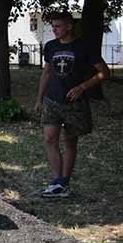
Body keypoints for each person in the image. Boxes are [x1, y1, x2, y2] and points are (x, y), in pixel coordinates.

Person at [34, 10, 108, 198]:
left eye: (58, 26)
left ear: (69, 26)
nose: (55, 30)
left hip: (73, 103)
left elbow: (104, 72)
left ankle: (64, 182)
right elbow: (46, 73)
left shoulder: (84, 47)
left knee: (69, 141)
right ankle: (56, 180)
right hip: (52, 100)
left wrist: (82, 87)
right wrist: (39, 98)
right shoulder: (50, 46)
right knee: (49, 139)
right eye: (53, 26)